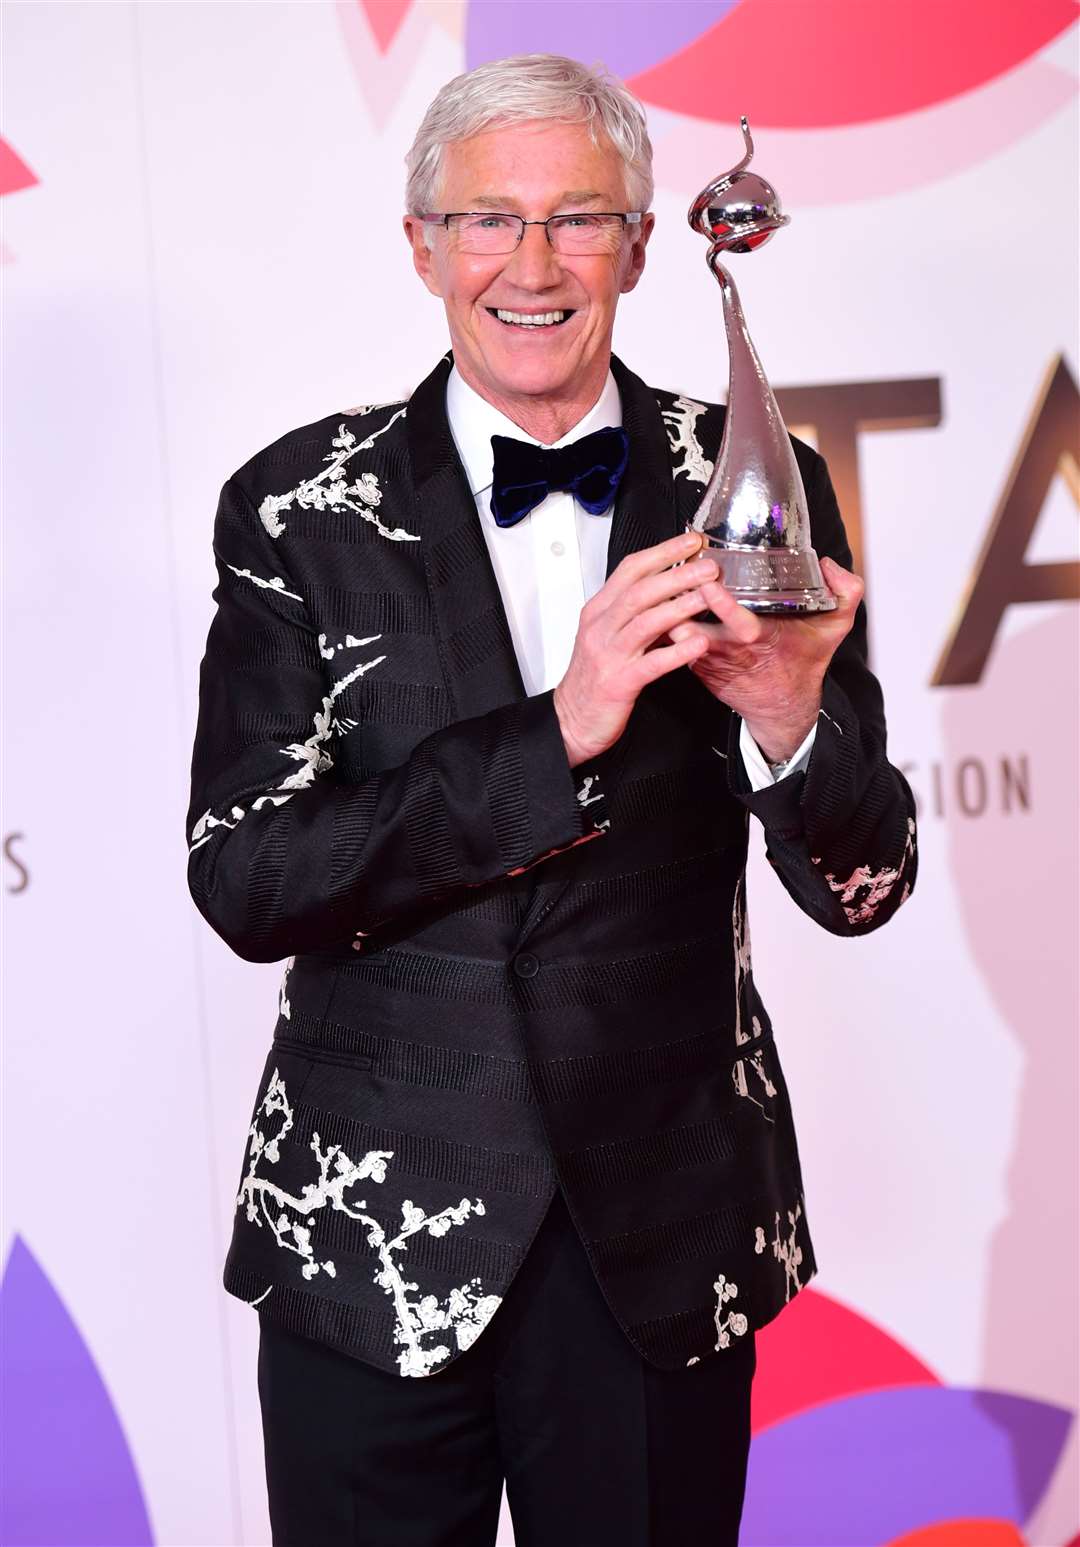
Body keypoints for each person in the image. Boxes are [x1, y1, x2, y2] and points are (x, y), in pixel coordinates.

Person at [185, 52, 917, 1547]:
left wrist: (788, 719)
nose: (533, 265)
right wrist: (561, 731)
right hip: (367, 1239)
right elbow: (250, 880)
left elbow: (867, 884)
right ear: (422, 245)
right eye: (487, 221)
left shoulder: (755, 479)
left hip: (659, 1237)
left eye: (579, 219)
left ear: (643, 246)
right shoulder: (295, 510)